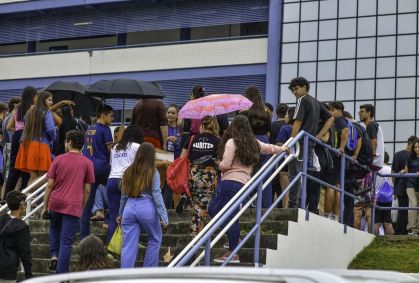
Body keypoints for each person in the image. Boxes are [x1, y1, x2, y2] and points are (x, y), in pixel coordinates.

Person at [208, 115, 288, 263]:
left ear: (234, 127)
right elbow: (269, 148)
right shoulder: (254, 142)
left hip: (229, 182)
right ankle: (235, 240)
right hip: (243, 184)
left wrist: (217, 164)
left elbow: (225, 165)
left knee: (226, 215)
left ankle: (233, 252)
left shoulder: (232, 142)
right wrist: (283, 149)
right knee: (215, 210)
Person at [41, 130, 95, 273]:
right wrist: (82, 206)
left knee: (54, 228)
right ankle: (62, 274)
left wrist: (44, 207)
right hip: (73, 205)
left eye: (65, 141)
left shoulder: (58, 159)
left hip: (55, 202)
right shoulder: (87, 163)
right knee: (66, 242)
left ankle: (54, 255)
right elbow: (88, 189)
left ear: (69, 142)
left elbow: (49, 185)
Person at [119, 142, 169, 268]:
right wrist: (164, 216)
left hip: (129, 207)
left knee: (128, 244)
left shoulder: (128, 171)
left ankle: (125, 277)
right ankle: (148, 274)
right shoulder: (153, 172)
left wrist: (120, 214)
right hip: (147, 206)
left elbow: (123, 196)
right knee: (155, 239)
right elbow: (156, 195)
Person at [287, 77, 333, 209]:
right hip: (309, 142)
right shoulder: (315, 101)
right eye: (293, 90)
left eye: (296, 89)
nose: (294, 92)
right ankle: (298, 204)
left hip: (300, 141)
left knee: (294, 173)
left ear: (304, 87)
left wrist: (290, 141)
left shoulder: (302, 100)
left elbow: (297, 122)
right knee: (301, 173)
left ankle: (293, 205)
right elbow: (330, 118)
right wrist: (318, 135)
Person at [180, 116, 220, 235]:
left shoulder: (192, 138)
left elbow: (182, 158)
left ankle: (185, 196)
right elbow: (220, 161)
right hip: (208, 177)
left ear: (201, 126)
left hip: (192, 173)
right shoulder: (218, 141)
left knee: (196, 203)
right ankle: (195, 236)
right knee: (202, 207)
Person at [80, 104, 114, 239]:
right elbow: (111, 150)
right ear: (103, 115)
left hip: (89, 169)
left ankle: (84, 237)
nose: (113, 118)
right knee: (118, 194)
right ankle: (108, 220)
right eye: (111, 115)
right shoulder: (105, 129)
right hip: (103, 168)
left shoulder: (89, 129)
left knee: (87, 205)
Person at [106, 125, 143, 242]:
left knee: (113, 217)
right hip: (127, 181)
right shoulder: (136, 146)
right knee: (128, 216)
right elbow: (142, 165)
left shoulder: (115, 147)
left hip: (112, 180)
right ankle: (127, 244)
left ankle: (112, 246)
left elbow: (112, 164)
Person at [15, 91, 58, 187]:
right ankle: (26, 195)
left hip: (27, 145)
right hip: (41, 146)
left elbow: (25, 126)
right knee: (45, 175)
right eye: (49, 100)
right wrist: (52, 139)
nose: (52, 102)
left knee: (33, 175)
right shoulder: (46, 112)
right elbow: (51, 129)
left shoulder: (29, 112)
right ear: (43, 100)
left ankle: (29, 200)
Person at [240, 85, 273, 208]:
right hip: (264, 142)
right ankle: (265, 206)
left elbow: (241, 130)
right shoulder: (267, 113)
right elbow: (268, 132)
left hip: (249, 141)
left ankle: (248, 204)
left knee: (247, 174)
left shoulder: (244, 112)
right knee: (265, 175)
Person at [5, 86, 36, 196]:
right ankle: (22, 195)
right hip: (27, 137)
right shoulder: (32, 108)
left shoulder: (18, 108)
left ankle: (6, 197)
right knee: (26, 167)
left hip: (16, 136)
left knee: (13, 166)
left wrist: (18, 130)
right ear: (32, 96)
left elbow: (9, 126)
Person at [324, 102, 349, 221]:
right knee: (337, 186)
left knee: (330, 186)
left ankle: (327, 214)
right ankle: (334, 215)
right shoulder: (344, 119)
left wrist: (341, 148)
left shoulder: (339, 120)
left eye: (332, 110)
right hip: (340, 158)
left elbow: (345, 131)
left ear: (339, 111)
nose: (331, 112)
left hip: (335, 156)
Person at [0, 191, 32, 282]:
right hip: (9, 271)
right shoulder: (22, 227)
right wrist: (29, 275)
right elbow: (25, 254)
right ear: (21, 205)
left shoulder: (1, 219)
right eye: (24, 204)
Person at [392, 135, 417, 235]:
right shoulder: (412, 157)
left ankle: (400, 231)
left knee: (403, 210)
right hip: (411, 186)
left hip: (401, 186)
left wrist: (394, 188)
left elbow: (393, 172)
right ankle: (405, 230)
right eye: (415, 146)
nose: (416, 148)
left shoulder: (398, 155)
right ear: (411, 144)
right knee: (410, 210)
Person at [275, 106, 295, 208]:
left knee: (285, 190)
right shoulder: (302, 128)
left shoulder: (285, 128)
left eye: (287, 114)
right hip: (298, 161)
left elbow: (280, 143)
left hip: (285, 162)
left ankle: (286, 208)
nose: (285, 116)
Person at [1, 97, 20, 194]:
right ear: (16, 105)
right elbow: (12, 136)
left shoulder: (7, 117)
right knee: (10, 175)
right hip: (10, 146)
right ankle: (9, 198)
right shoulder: (11, 118)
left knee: (8, 175)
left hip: (7, 147)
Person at [358, 104, 384, 170]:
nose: (359, 114)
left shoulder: (371, 124)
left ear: (368, 113)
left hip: (373, 161)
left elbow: (373, 141)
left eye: (362, 112)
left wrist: (372, 154)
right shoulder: (372, 125)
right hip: (376, 162)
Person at [374, 152, 394, 235]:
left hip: (377, 196)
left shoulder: (377, 170)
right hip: (388, 198)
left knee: (376, 222)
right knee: (388, 222)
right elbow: (393, 183)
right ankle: (390, 241)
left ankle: (374, 239)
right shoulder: (390, 170)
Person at [402, 139, 419, 234]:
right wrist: (403, 171)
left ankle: (417, 229)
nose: (417, 149)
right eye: (415, 147)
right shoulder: (410, 158)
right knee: (413, 204)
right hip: (411, 184)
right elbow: (406, 169)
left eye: (418, 147)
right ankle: (411, 228)